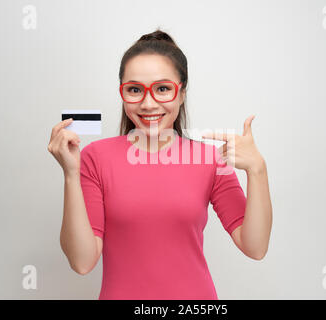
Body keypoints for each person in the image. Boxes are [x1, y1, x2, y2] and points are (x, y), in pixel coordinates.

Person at [48, 29, 273, 300]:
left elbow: (255, 247)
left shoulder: (210, 160)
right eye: (134, 90)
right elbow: (82, 262)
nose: (148, 103)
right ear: (123, 94)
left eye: (163, 89)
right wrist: (71, 174)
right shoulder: (96, 157)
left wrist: (257, 170)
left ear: (182, 94)